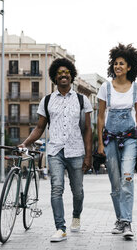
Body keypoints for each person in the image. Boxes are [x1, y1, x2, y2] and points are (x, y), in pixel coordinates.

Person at [19, 58, 93, 242]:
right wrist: (26, 142)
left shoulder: (82, 100)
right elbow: (39, 128)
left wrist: (88, 155)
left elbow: (87, 130)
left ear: (71, 76)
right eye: (59, 73)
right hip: (55, 151)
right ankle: (60, 228)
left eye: (66, 72)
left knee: (78, 191)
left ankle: (76, 215)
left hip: (76, 151)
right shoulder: (47, 101)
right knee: (56, 188)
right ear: (54, 77)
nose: (63, 75)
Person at [97, 43, 137, 239]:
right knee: (115, 183)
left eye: (122, 63)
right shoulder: (105, 88)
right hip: (110, 139)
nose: (118, 66)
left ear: (129, 66)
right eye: (115, 63)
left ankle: (127, 222)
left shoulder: (136, 89)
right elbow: (100, 117)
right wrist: (100, 143)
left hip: (130, 139)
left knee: (127, 178)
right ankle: (120, 219)